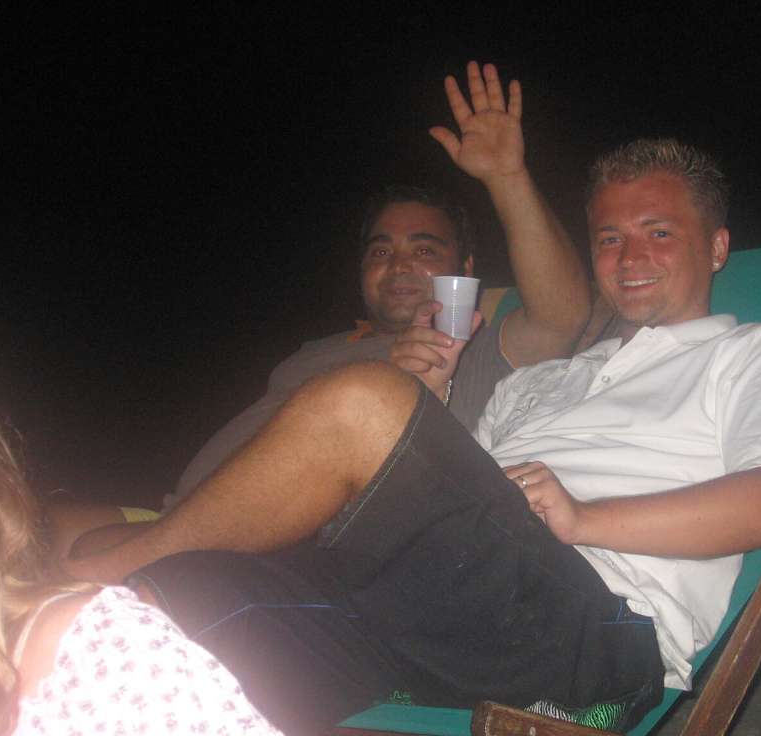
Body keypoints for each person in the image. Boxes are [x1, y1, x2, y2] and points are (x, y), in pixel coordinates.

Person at [64, 137, 761, 736]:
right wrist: (430, 405)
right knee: (159, 606)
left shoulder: (755, 353)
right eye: (609, 237)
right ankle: (117, 580)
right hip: (436, 614)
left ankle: (94, 569)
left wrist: (583, 520)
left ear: (717, 246)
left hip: (592, 627)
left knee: (364, 401)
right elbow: (453, 501)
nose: (630, 256)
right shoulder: (545, 381)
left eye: (659, 232)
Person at [48, 60, 591, 555]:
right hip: (174, 519)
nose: (399, 264)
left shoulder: (466, 341)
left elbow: (563, 312)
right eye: (381, 251)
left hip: (262, 555)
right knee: (37, 528)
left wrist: (506, 177)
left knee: (80, 560)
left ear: (464, 268)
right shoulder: (319, 350)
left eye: (424, 250)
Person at [0, 321, 289, 736]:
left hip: (194, 534)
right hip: (170, 510)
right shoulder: (298, 363)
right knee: (84, 542)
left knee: (103, 565)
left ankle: (97, 602)